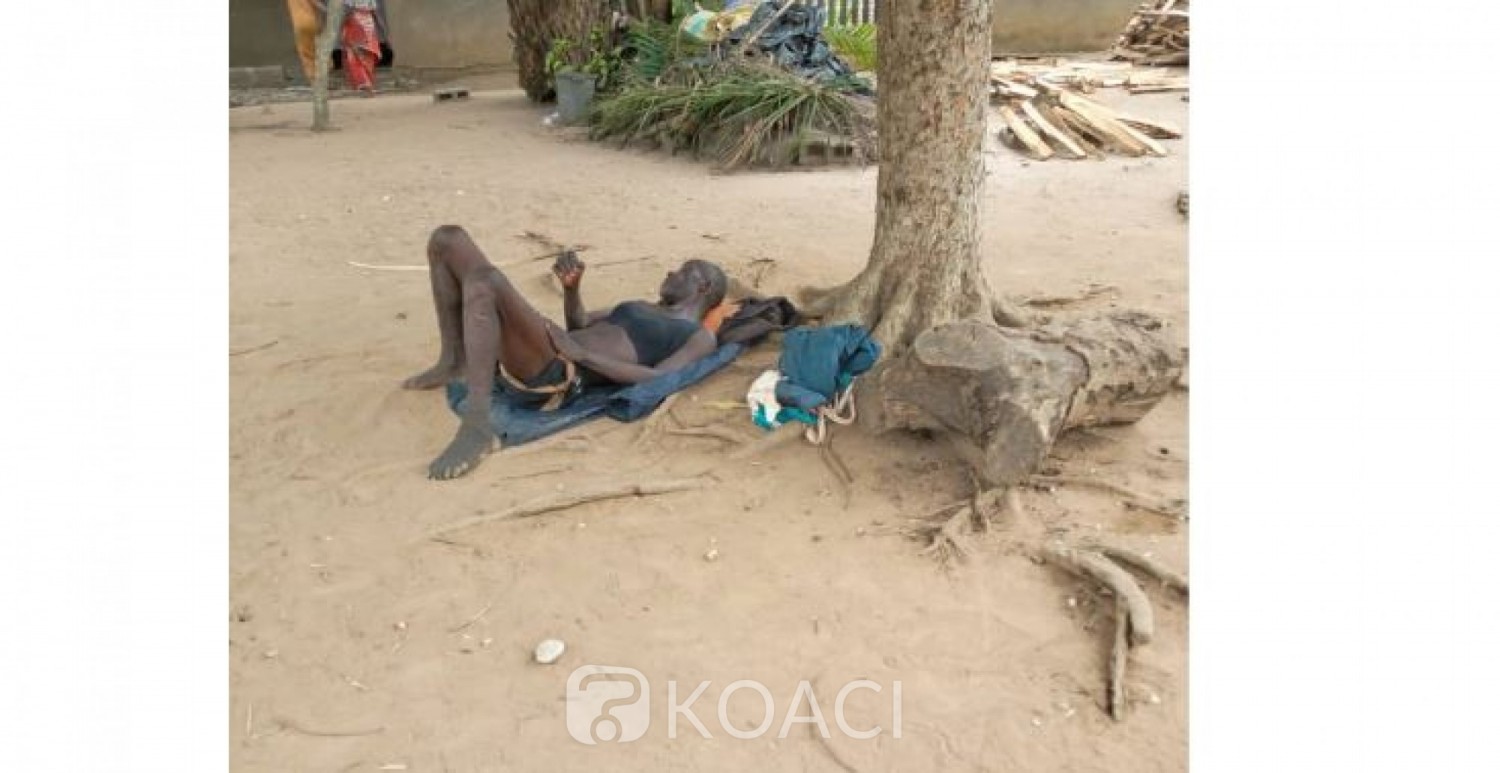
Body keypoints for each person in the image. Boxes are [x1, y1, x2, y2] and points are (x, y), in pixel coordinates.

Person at [403, 226, 726, 480]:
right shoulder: (639, 305)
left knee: (487, 280)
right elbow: (580, 323)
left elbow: (659, 378)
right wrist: (572, 290)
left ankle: (478, 423)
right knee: (448, 239)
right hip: (551, 348)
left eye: (684, 271)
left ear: (704, 287)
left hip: (561, 372)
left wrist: (584, 357)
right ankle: (454, 360)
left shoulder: (698, 336)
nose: (671, 273)